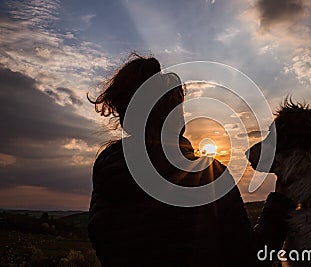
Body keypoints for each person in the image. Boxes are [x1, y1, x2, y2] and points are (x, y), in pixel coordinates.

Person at [87, 54, 294, 267]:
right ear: (172, 110)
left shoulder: (106, 172)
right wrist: (281, 200)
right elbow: (250, 258)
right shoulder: (207, 175)